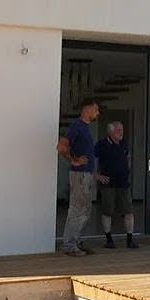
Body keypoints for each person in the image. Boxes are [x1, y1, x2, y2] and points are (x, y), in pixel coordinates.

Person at [57, 98, 99, 256]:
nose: (97, 113)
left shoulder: (85, 128)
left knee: (85, 209)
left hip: (86, 174)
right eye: (96, 109)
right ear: (87, 109)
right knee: (77, 209)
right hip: (79, 175)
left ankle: (77, 242)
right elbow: (61, 146)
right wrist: (73, 161)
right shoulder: (77, 126)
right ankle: (69, 245)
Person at [94, 121, 138, 249]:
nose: (121, 132)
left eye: (122, 130)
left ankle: (130, 240)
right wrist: (97, 176)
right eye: (118, 130)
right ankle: (109, 240)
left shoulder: (123, 144)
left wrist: (127, 167)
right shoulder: (102, 145)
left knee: (129, 212)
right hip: (108, 185)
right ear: (110, 132)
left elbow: (128, 156)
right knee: (107, 212)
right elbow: (91, 160)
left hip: (123, 184)